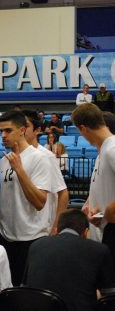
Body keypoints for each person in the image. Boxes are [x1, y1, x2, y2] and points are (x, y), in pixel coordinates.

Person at [0, 110, 52, 286]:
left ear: (22, 130)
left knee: (28, 293)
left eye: (8, 131)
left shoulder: (40, 159)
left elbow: (39, 202)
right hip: (6, 237)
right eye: (1, 131)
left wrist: (20, 170)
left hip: (31, 238)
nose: (3, 136)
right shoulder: (6, 159)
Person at [23, 209, 115, 311]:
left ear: (57, 230)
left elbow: (25, 288)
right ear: (85, 232)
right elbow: (110, 298)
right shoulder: (100, 250)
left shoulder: (36, 246)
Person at [72, 104, 115, 266]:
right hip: (104, 231)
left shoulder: (111, 149)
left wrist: (110, 210)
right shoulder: (103, 151)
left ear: (83, 128)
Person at [23, 110, 69, 236]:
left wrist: (55, 227)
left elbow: (63, 193)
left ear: (37, 130)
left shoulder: (46, 156)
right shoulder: (13, 156)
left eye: (26, 126)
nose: (21, 129)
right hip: (20, 229)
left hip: (41, 230)